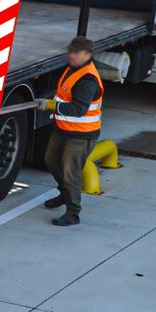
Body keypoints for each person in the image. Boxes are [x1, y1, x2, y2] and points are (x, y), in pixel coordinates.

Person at [43, 35, 105, 226]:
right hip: (64, 129)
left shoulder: (87, 80)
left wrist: (51, 105)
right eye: (70, 51)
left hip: (81, 134)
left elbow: (79, 110)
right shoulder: (73, 68)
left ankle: (73, 213)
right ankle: (64, 193)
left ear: (88, 55)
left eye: (76, 52)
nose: (71, 55)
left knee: (71, 173)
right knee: (51, 160)